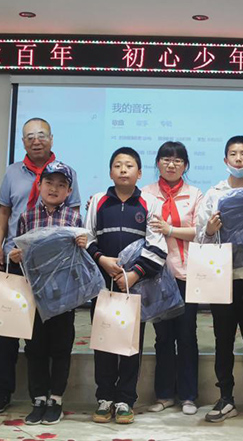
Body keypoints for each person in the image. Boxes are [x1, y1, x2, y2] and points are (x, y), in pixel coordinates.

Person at [0, 118, 81, 413]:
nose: (36, 140)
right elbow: (4, 212)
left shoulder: (68, 177)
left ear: (51, 139)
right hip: (18, 261)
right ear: (23, 141)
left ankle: (53, 395)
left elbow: (73, 225)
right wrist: (0, 246)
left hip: (55, 272)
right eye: (30, 136)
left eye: (41, 135)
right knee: (10, 330)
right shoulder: (12, 173)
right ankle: (4, 392)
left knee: (53, 333)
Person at [85, 147, 167, 425]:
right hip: (102, 285)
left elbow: (157, 246)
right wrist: (102, 259)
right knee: (104, 342)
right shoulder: (98, 201)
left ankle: (125, 400)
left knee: (131, 344)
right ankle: (105, 397)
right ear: (110, 172)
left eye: (129, 165)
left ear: (139, 173)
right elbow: (87, 238)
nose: (123, 169)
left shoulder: (150, 203)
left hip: (135, 286)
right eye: (118, 165)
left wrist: (134, 275)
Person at [196, 135, 243, 424]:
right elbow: (200, 237)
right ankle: (225, 397)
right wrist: (210, 229)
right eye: (233, 154)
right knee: (223, 341)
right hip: (221, 279)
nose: (238, 159)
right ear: (225, 159)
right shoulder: (213, 194)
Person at [8, 161, 85, 425]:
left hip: (64, 295)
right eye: (49, 183)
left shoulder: (74, 219)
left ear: (69, 191)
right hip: (35, 294)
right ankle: (38, 398)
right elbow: (19, 252)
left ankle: (56, 399)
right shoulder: (27, 217)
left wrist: (83, 244)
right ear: (39, 185)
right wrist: (15, 256)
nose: (54, 189)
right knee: (35, 347)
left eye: (61, 185)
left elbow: (79, 258)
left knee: (61, 347)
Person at [142, 141, 204, 416]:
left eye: (177, 160)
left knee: (187, 335)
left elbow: (200, 231)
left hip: (186, 274)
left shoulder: (195, 194)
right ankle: (165, 394)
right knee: (163, 337)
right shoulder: (146, 193)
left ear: (185, 165)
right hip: (155, 275)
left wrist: (170, 229)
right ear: (158, 163)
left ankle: (189, 396)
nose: (171, 164)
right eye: (166, 159)